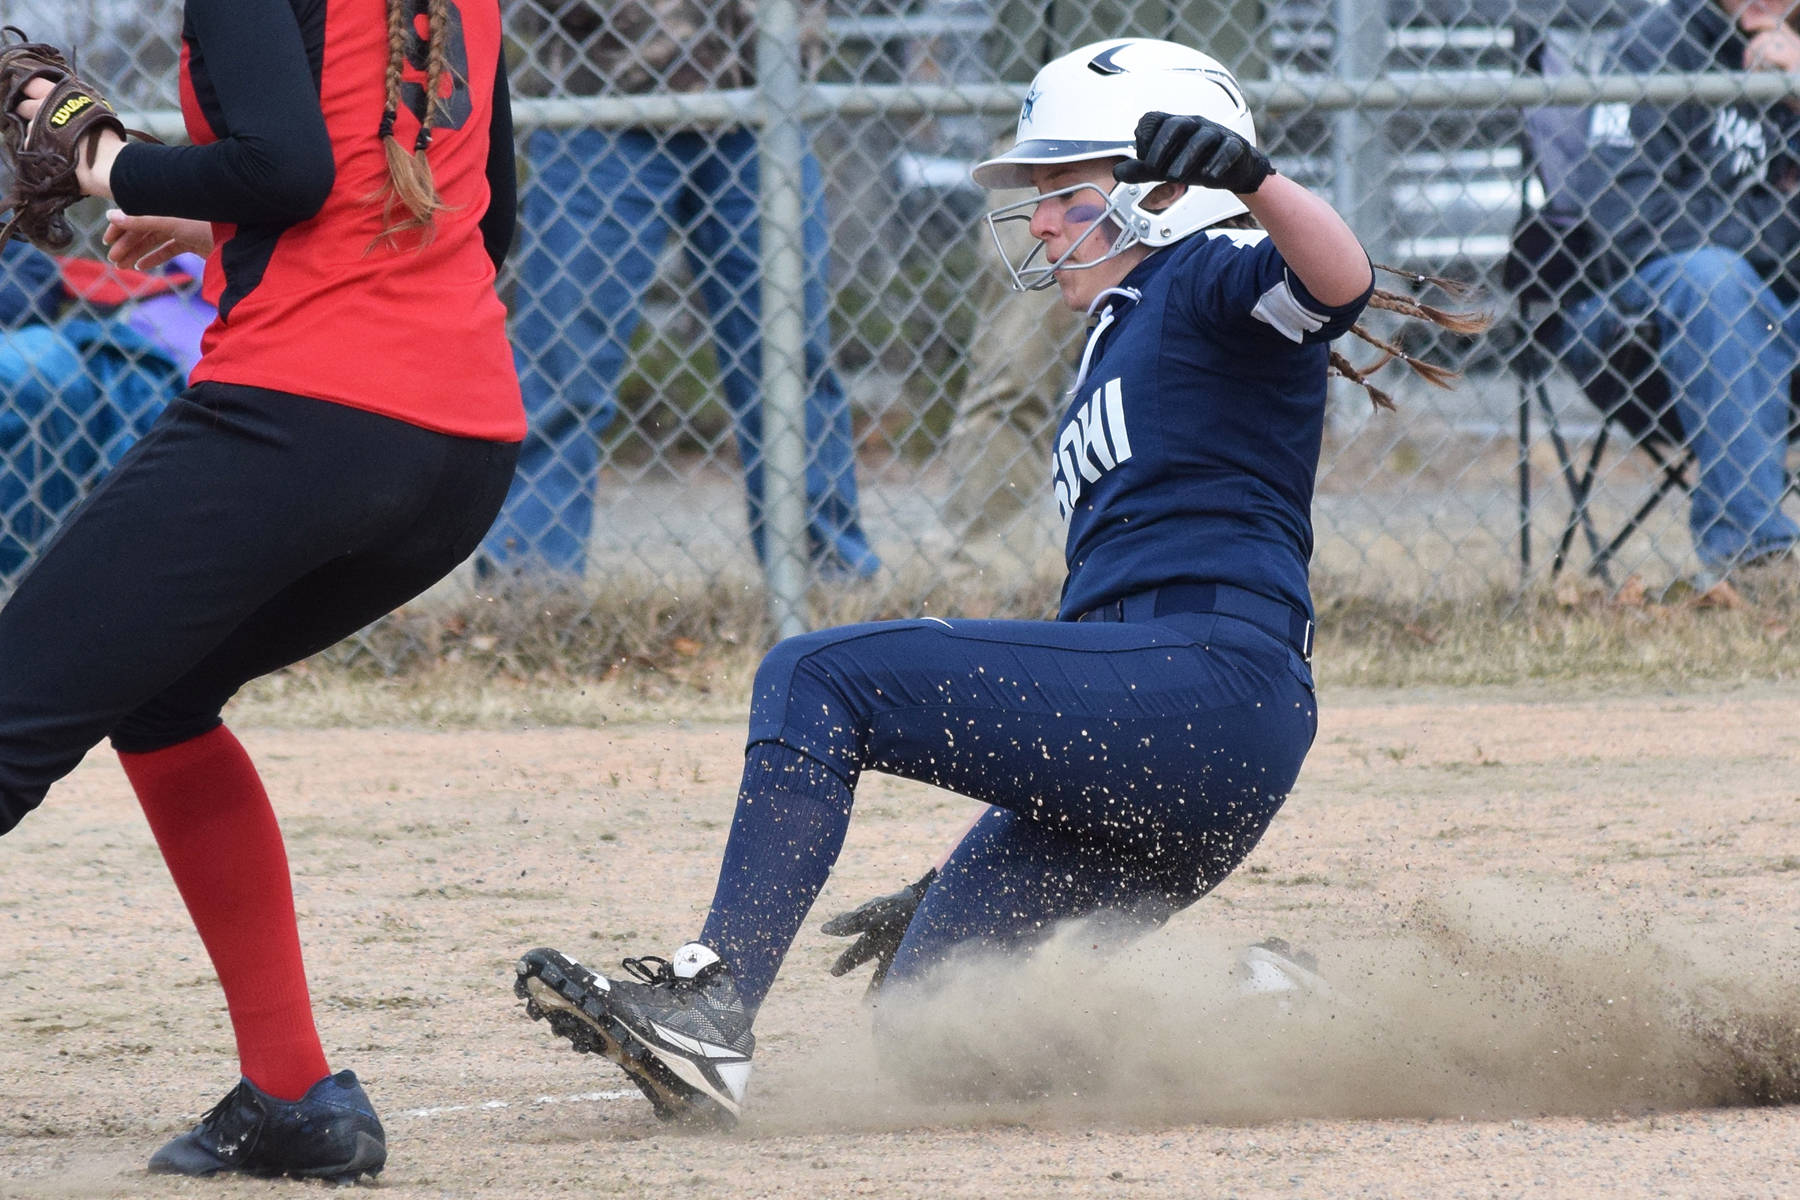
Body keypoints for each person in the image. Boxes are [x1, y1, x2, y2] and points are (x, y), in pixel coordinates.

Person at [509, 37, 1486, 1126]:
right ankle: (1258, 1012)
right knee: (943, 1025)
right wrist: (963, 874)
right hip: (1165, 726)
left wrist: (1252, 180)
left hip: (1211, 680)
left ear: (1168, 188)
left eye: (1066, 193)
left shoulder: (1209, 277)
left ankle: (709, 1003)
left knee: (816, 674)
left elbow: (1336, 282)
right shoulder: (1123, 329)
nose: (1043, 221)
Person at [0, 0, 521, 1182]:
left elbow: (286, 170)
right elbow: (479, 215)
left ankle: (294, 1092)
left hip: (305, 416)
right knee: (165, 700)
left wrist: (96, 155)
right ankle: (292, 1094)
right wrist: (208, 213)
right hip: (463, 446)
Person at [483, 0, 881, 581]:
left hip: (762, 100)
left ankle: (825, 579)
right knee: (564, 363)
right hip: (608, 101)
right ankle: (530, 583)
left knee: (791, 361)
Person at [1559, 0, 1800, 573]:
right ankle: (1751, 557)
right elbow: (1627, 216)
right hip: (1640, 323)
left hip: (1779, 315)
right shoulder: (1653, 45)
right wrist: (1774, 236)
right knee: (1716, 278)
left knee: (1726, 276)